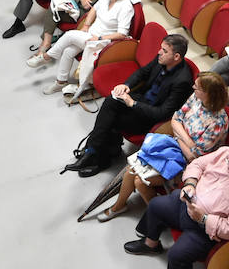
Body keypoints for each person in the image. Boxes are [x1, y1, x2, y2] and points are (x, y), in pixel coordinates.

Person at [97, 72, 229, 222]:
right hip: (173, 146)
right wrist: (185, 139)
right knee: (131, 171)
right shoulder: (196, 99)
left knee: (139, 181)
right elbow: (175, 119)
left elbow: (195, 156)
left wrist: (179, 135)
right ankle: (119, 206)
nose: (193, 87)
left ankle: (159, 217)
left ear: (208, 93)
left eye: (197, 87)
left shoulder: (217, 122)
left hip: (189, 165)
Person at [66, 33, 194, 177]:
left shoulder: (182, 81)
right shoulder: (162, 60)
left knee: (111, 118)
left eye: (164, 51)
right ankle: (94, 151)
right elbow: (142, 72)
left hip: (150, 117)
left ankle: (99, 157)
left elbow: (162, 113)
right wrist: (126, 85)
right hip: (142, 100)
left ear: (176, 57)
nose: (159, 52)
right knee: (111, 100)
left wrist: (132, 103)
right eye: (161, 48)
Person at [36, 0, 134, 103]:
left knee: (69, 35)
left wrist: (99, 38)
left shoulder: (125, 6)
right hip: (91, 34)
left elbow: (122, 34)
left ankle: (47, 56)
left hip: (104, 42)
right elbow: (94, 9)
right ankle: (60, 82)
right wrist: (87, 25)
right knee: (68, 51)